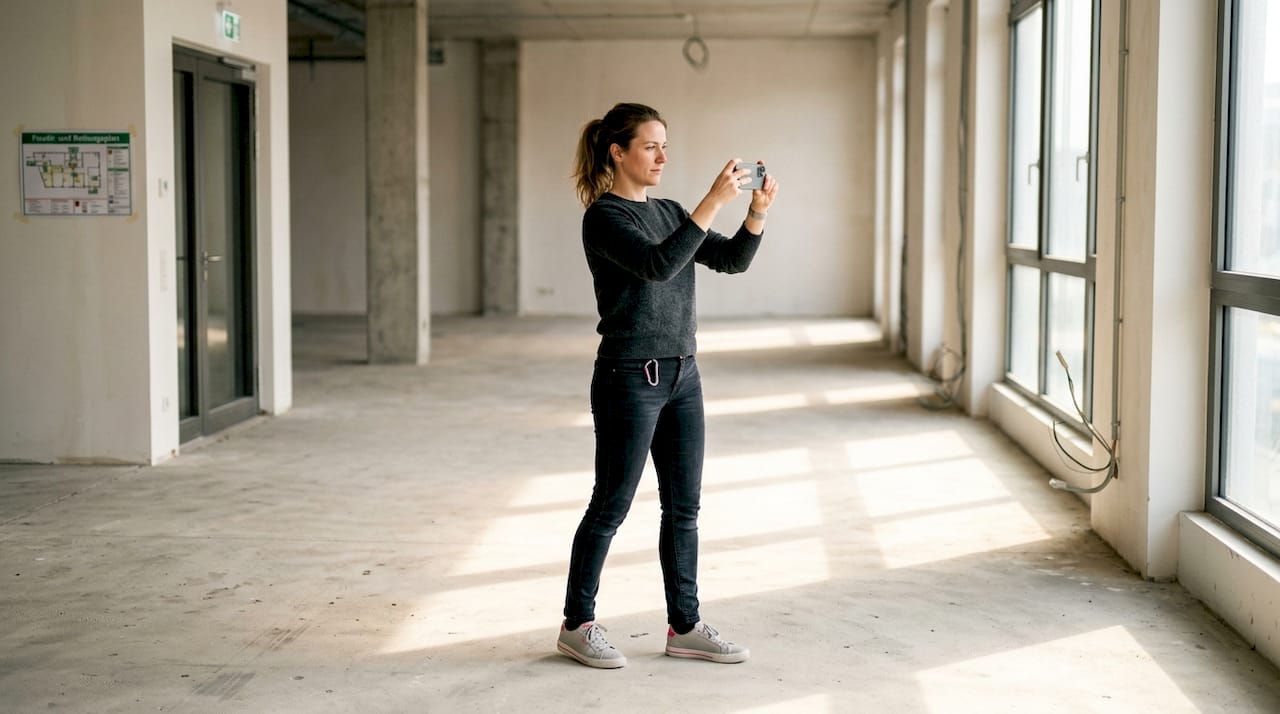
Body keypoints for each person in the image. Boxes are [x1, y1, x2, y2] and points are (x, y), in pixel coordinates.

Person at [556, 102, 779, 669]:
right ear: (619, 152)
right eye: (651, 145)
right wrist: (711, 203)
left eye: (665, 145)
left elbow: (728, 260)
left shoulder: (672, 210)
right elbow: (658, 265)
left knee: (684, 509)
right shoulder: (604, 218)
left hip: (684, 374)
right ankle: (577, 623)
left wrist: (754, 214)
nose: (662, 156)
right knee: (611, 504)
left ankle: (684, 626)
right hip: (629, 377)